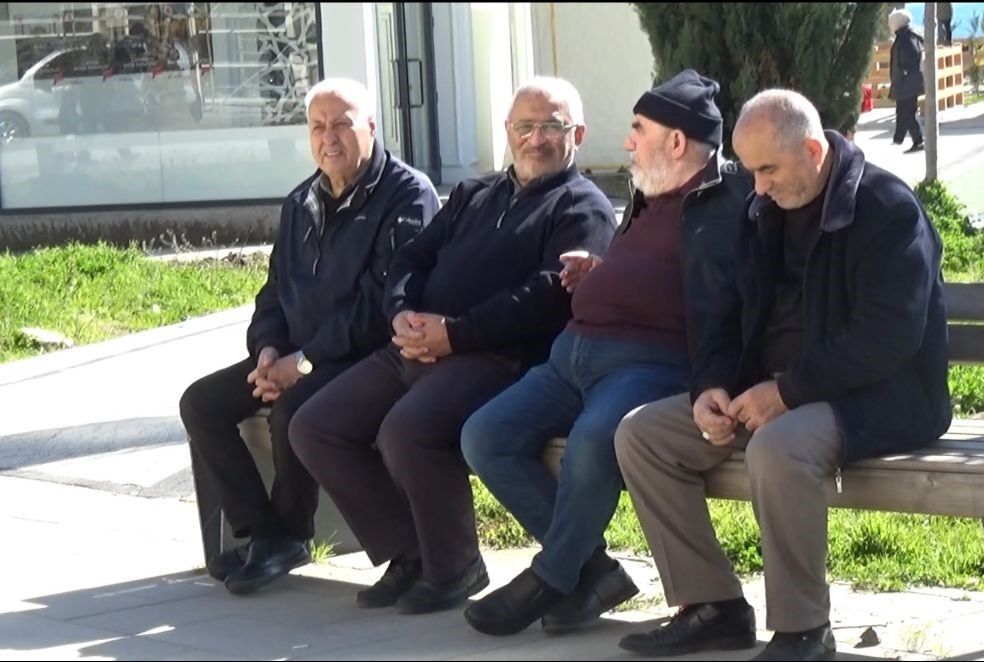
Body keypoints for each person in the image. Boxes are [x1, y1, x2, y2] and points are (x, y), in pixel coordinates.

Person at [614, 89, 951, 660]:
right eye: (750, 171)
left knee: (776, 447)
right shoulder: (761, 208)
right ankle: (712, 607)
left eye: (768, 169)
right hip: (774, 394)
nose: (758, 185)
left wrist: (788, 392)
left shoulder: (886, 208)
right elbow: (723, 313)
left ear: (813, 151)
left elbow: (888, 337)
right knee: (642, 436)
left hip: (881, 398)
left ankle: (803, 630)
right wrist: (711, 386)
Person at [289, 76, 616, 616]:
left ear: (576, 134)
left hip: (499, 357)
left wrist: (455, 333)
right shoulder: (474, 194)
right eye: (525, 126)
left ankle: (455, 565)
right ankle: (410, 553)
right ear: (507, 130)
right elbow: (411, 258)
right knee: (315, 425)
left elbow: (547, 297)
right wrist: (401, 313)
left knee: (407, 430)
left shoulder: (583, 207)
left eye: (551, 127)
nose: (535, 139)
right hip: (416, 346)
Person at [460, 69, 752, 637]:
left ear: (676, 141)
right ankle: (592, 570)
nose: (627, 142)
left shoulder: (724, 204)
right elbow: (650, 268)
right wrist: (602, 272)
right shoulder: (648, 193)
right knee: (484, 436)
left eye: (638, 130)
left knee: (595, 439)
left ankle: (551, 575)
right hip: (571, 356)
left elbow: (726, 296)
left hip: (649, 364)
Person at [180, 77, 439, 596]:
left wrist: (301, 362)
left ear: (371, 127)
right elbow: (274, 292)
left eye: (342, 124)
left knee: (293, 410)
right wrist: (268, 350)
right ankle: (265, 533)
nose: (329, 137)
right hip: (297, 353)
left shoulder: (408, 195)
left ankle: (293, 533)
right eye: (318, 127)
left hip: (366, 357)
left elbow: (379, 305)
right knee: (201, 404)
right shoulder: (301, 201)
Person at [888, 8, 925, 153]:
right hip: (905, 83)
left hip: (907, 83)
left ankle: (918, 140)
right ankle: (899, 138)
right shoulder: (904, 36)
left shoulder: (906, 38)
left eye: (891, 22)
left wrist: (905, 72)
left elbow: (912, 57)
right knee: (903, 111)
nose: (890, 25)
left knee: (908, 113)